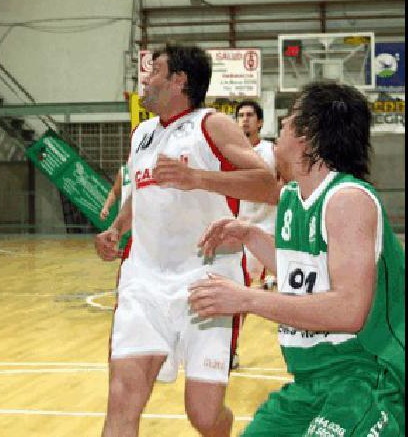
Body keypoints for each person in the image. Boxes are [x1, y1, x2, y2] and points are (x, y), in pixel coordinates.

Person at [191, 81, 405, 436]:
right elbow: (304, 274)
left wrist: (247, 298)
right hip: (311, 381)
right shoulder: (293, 197)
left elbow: (349, 311)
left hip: (367, 376)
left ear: (308, 134)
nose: (280, 130)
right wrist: (249, 235)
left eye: (289, 119)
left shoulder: (347, 200)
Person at [94, 43, 279, 437]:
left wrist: (198, 178)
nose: (144, 78)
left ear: (179, 80)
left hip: (207, 280)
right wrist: (116, 230)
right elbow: (137, 196)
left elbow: (267, 185)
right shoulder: (142, 133)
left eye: (154, 70)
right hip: (142, 282)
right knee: (122, 398)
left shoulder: (212, 125)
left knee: (204, 415)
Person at [235, 100, 278, 289]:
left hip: (269, 230)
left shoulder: (273, 151)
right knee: (245, 286)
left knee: (268, 289)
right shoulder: (230, 153)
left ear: (260, 122)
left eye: (250, 115)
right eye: (241, 116)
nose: (245, 120)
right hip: (241, 229)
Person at [99, 164, 132, 258]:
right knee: (125, 261)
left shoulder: (152, 166)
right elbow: (114, 192)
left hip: (146, 225)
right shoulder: (124, 170)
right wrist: (106, 207)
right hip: (126, 223)